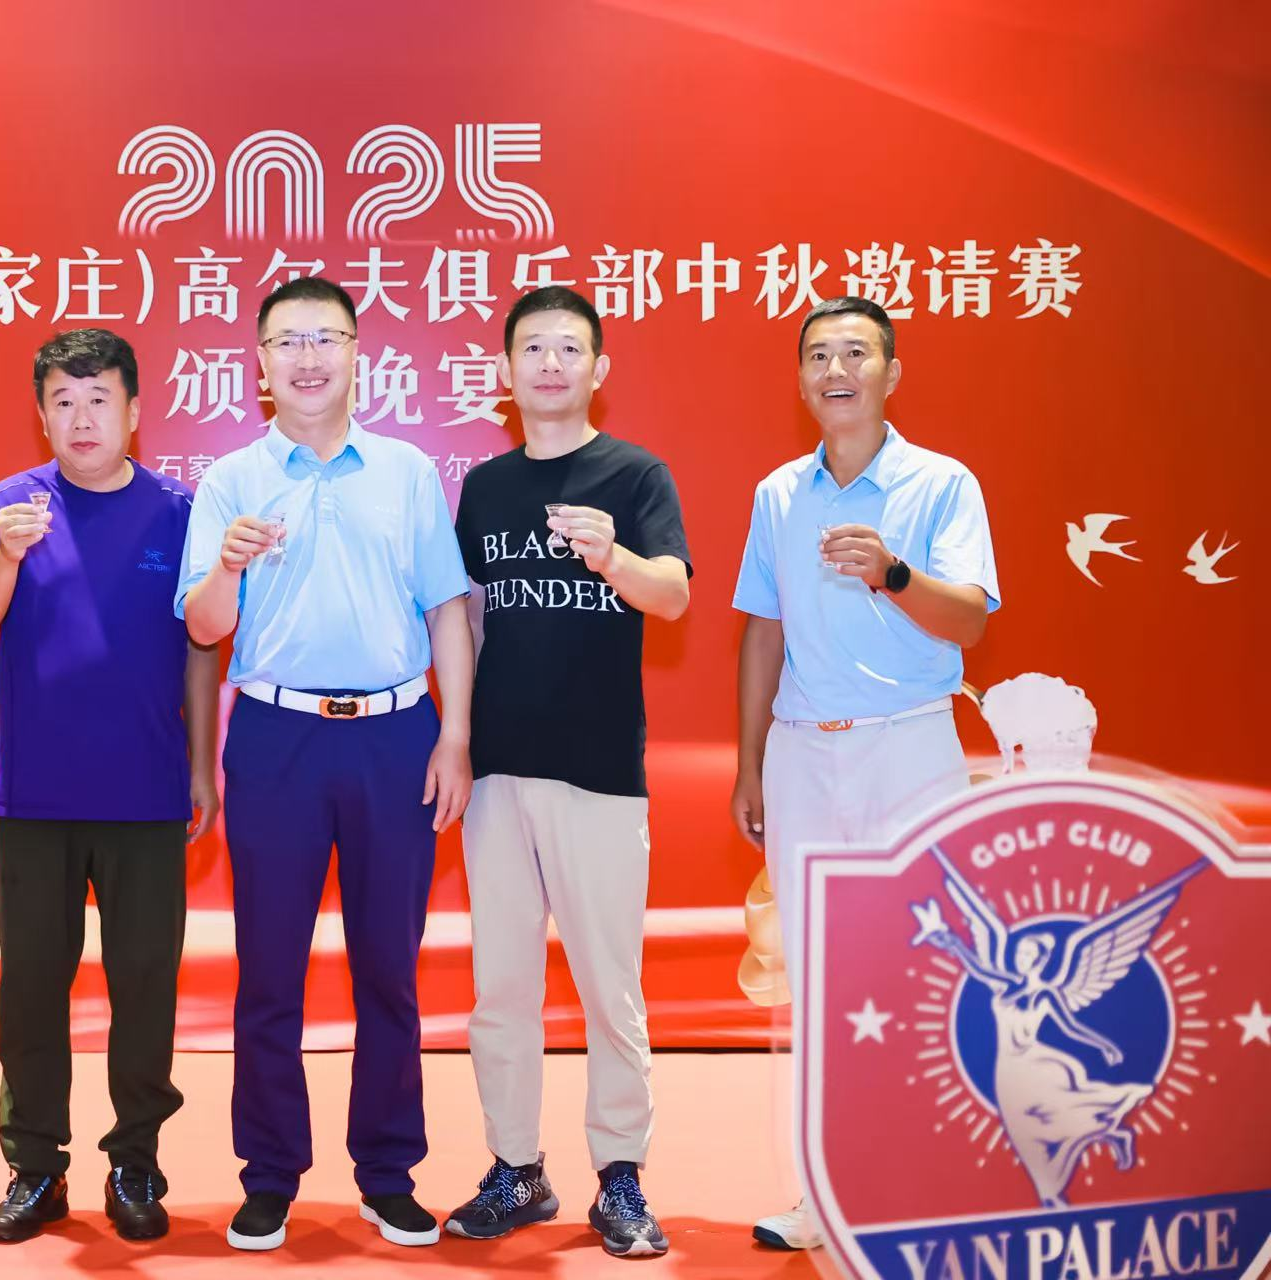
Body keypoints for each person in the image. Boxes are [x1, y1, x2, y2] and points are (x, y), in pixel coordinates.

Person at [177, 276, 474, 1251]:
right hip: (278, 737)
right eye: (288, 341)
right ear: (260, 364)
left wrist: (455, 735)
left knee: (390, 969)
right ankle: (269, 1175)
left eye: (325, 338)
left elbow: (447, 608)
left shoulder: (405, 470)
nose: (308, 357)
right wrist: (227, 564)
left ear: (356, 353)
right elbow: (204, 627)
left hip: (395, 734)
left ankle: (388, 1173)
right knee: (269, 970)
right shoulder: (231, 480)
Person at [729, 296, 1000, 1250]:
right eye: (817, 355)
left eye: (856, 353)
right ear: (800, 379)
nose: (835, 370)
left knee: (931, 969)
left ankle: (934, 1184)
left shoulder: (941, 483)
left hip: (909, 745)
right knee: (819, 974)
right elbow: (762, 631)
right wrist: (751, 763)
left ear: (892, 373)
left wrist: (893, 572)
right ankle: (828, 1192)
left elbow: (970, 618)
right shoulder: (778, 493)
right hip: (802, 749)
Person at [0, 328, 221, 1244]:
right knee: (32, 986)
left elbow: (201, 646)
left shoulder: (179, 510)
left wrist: (201, 766)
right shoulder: (10, 505)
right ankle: (35, 1167)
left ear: (135, 410)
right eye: (63, 401)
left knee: (145, 985)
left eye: (99, 399)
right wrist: (6, 557)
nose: (82, 418)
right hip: (35, 796)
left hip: (147, 791)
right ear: (41, 415)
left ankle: (136, 1160)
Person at [446, 286, 691, 1257]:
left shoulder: (635, 473)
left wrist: (614, 557)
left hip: (598, 771)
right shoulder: (485, 487)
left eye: (569, 348)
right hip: (499, 770)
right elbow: (468, 618)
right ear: (505, 372)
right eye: (533, 348)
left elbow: (672, 595)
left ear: (599, 368)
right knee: (500, 985)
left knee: (608, 986)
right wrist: (457, 739)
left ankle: (619, 1173)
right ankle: (516, 1167)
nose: (550, 364)